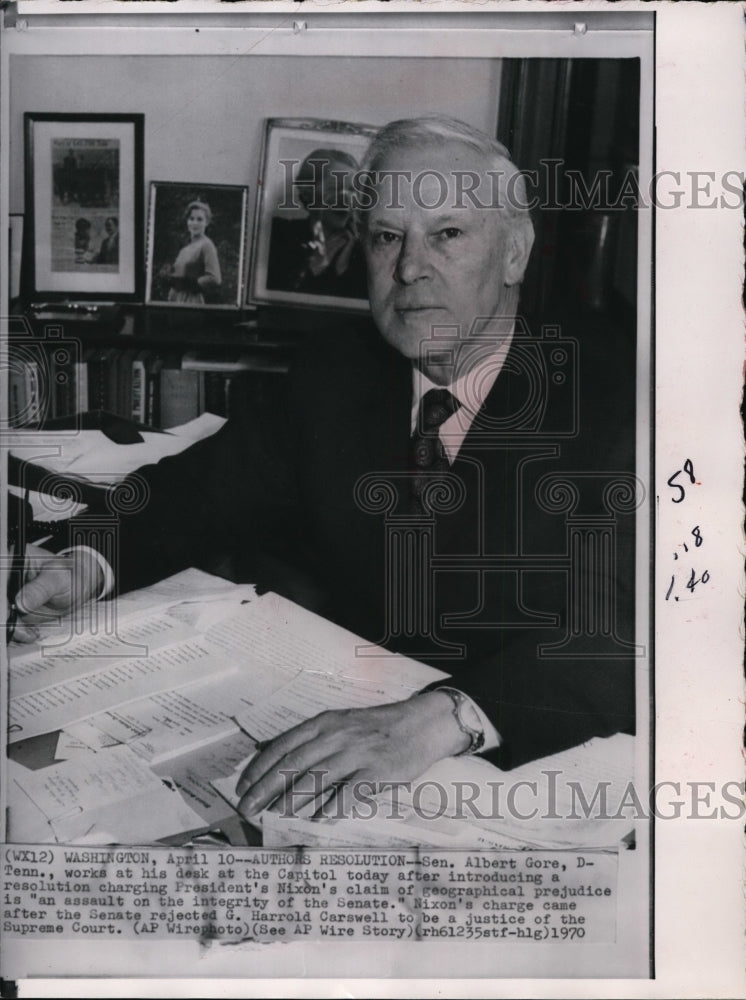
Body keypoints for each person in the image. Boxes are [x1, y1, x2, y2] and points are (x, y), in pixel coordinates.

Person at [12, 117, 636, 821]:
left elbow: (617, 640)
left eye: (448, 234)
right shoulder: (336, 369)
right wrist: (84, 559)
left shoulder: (616, 400)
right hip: (321, 732)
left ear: (514, 252)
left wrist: (439, 718)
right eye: (387, 236)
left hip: (511, 766)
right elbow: (203, 489)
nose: (409, 268)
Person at [266, 148, 367, 300]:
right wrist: (316, 266)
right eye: (334, 188)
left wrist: (343, 270)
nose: (346, 199)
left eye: (353, 190)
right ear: (308, 193)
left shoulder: (365, 250)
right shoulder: (278, 234)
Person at [161, 199, 221, 304]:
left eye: (199, 219)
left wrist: (190, 284)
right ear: (187, 221)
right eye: (191, 218)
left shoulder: (206, 245)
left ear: (206, 222)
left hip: (191, 301)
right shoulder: (185, 249)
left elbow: (215, 278)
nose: (195, 223)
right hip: (175, 299)